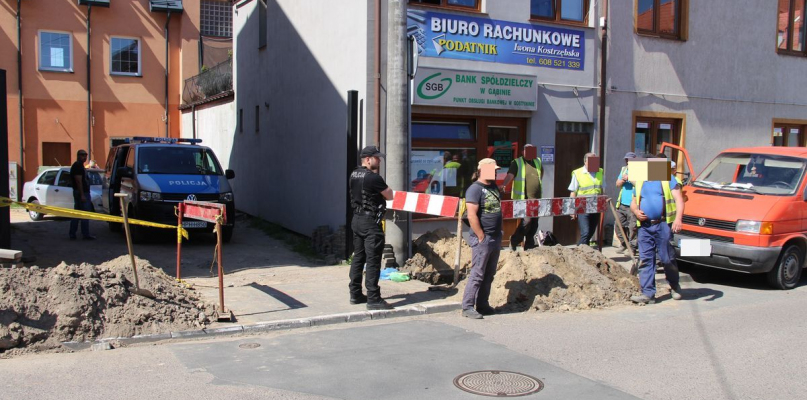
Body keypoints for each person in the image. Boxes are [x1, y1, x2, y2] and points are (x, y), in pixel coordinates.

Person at [630, 162, 685, 304]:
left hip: (663, 224)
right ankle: (648, 294)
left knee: (667, 258)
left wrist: (678, 219)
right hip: (645, 226)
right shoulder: (640, 181)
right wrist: (636, 211)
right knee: (646, 259)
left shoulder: (667, 179)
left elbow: (679, 199)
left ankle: (674, 285)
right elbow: (634, 201)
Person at [349, 146, 395, 310]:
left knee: (358, 258)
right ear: (368, 159)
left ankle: (355, 293)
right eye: (377, 158)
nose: (380, 160)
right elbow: (390, 195)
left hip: (357, 219)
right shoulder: (373, 178)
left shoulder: (354, 174)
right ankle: (374, 298)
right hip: (370, 223)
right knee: (373, 260)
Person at [462, 158, 503, 319]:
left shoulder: (493, 187)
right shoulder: (474, 189)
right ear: (482, 170)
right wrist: (481, 236)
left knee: (489, 273)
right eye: (493, 170)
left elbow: (499, 210)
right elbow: (471, 215)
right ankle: (467, 307)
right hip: (483, 238)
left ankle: (483, 304)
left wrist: (500, 230)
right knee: (478, 273)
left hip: (495, 236)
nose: (495, 172)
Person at [502, 144, 543, 251]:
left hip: (536, 199)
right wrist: (504, 184)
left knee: (534, 224)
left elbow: (541, 173)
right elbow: (510, 175)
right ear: (522, 152)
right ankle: (514, 240)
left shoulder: (537, 161)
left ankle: (529, 245)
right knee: (527, 222)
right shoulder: (517, 162)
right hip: (523, 199)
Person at [569, 153, 604, 246]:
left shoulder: (600, 172)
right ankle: (582, 252)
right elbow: (573, 192)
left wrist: (603, 204)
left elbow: (602, 189)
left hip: (596, 207)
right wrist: (572, 209)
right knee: (585, 232)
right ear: (585, 161)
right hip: (582, 207)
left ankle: (580, 250)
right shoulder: (578, 173)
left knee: (590, 233)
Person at [69, 149, 96, 240]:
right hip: (81, 192)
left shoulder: (81, 166)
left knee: (77, 214)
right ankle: (85, 234)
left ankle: (73, 234)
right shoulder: (77, 166)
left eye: (85, 155)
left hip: (82, 192)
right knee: (84, 214)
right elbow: (78, 181)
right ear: (78, 156)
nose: (84, 157)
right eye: (82, 155)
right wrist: (82, 195)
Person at [615, 152, 638, 255]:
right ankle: (624, 244)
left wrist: (630, 178)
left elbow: (640, 184)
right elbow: (617, 184)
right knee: (618, 225)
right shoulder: (624, 169)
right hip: (622, 203)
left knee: (632, 228)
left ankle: (632, 248)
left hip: (633, 204)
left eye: (630, 160)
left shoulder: (640, 170)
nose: (628, 162)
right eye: (626, 160)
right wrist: (623, 180)